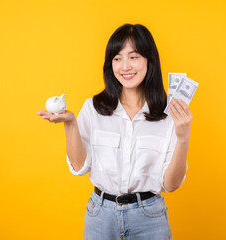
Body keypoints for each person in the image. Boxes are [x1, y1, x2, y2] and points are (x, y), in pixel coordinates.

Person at [36, 23, 192, 240]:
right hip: (100, 215)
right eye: (117, 58)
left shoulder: (168, 115)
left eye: (133, 57)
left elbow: (171, 184)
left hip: (149, 217)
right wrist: (70, 123)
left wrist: (183, 137)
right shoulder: (93, 107)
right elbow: (80, 166)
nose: (125, 66)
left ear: (149, 60)